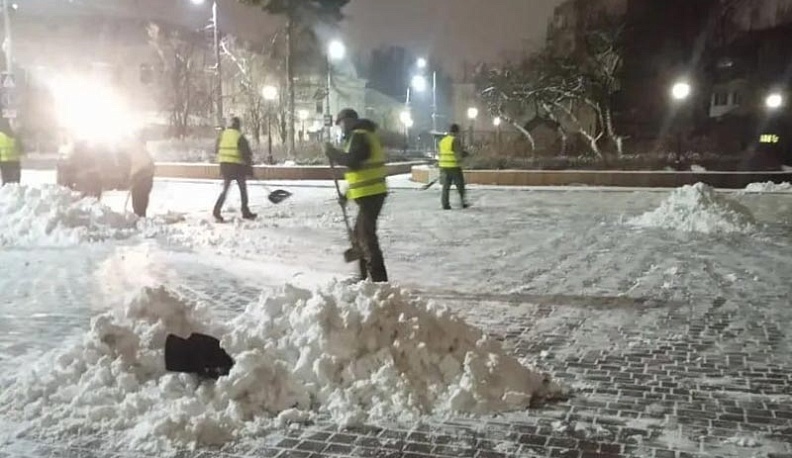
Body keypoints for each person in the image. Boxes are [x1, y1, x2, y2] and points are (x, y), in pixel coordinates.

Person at [325, 108, 388, 283]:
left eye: (342, 123)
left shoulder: (360, 135)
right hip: (370, 192)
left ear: (350, 120)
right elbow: (358, 172)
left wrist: (333, 154)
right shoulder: (360, 135)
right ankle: (363, 278)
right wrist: (346, 194)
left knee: (367, 237)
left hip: (372, 193)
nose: (341, 127)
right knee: (360, 235)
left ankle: (378, 280)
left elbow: (353, 161)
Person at [213, 117, 256, 222]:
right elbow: (247, 154)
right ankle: (245, 211)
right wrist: (250, 169)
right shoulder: (239, 136)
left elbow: (216, 149)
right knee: (243, 190)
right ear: (238, 125)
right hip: (237, 167)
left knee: (225, 190)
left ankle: (216, 210)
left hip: (225, 166)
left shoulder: (223, 135)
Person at [437, 124, 469, 209]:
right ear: (456, 132)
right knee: (460, 185)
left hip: (444, 166)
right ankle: (463, 202)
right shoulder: (455, 140)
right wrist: (465, 154)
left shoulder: (443, 140)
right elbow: (458, 154)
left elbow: (440, 153)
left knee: (446, 186)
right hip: (454, 166)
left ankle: (445, 204)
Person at [128, 133, 155, 217]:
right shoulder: (142, 152)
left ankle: (140, 218)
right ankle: (140, 218)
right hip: (142, 181)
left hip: (141, 181)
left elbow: (144, 167)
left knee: (139, 204)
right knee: (140, 204)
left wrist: (136, 177)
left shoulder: (139, 152)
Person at [0, 119, 22, 185]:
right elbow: (21, 148)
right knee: (15, 182)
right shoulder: (17, 135)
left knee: (6, 182)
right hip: (14, 161)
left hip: (5, 161)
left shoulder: (0, 135)